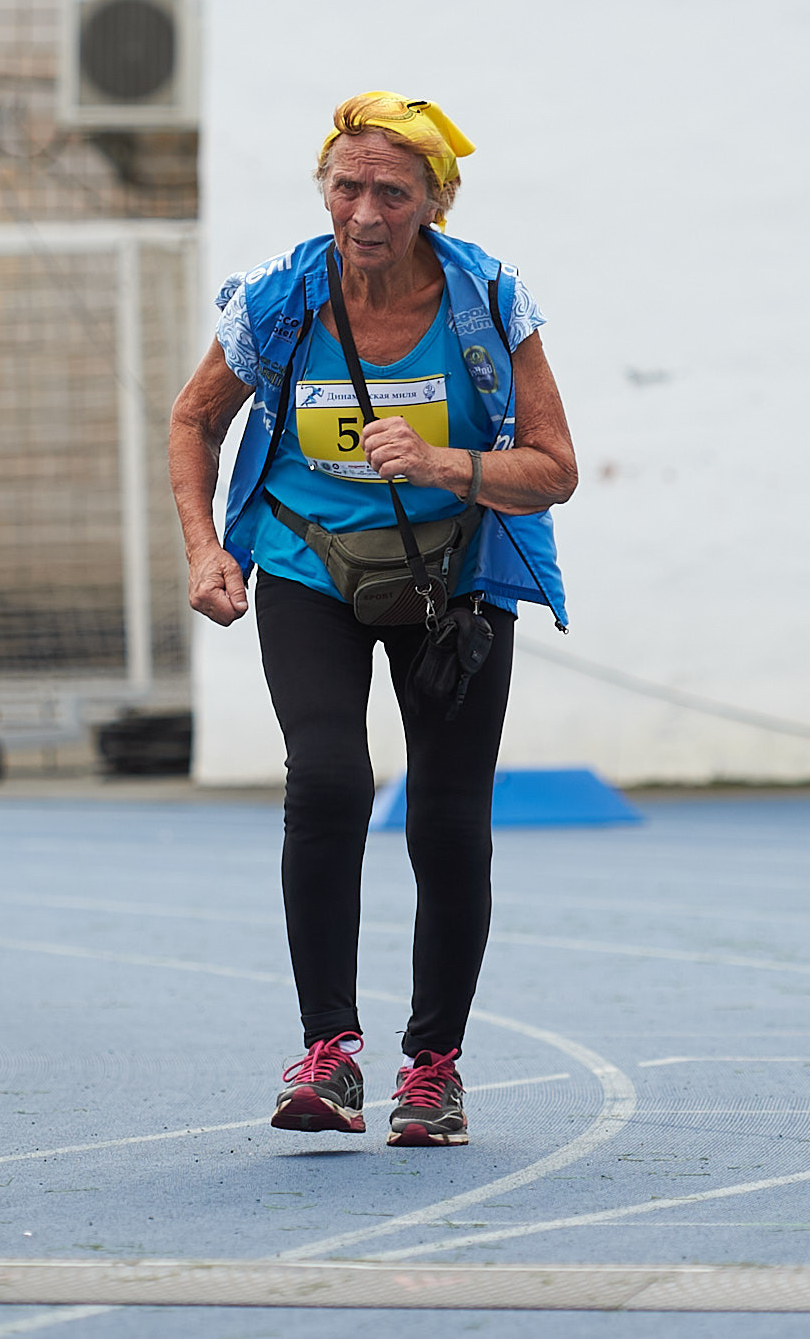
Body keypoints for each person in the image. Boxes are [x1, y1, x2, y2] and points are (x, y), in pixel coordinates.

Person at [167, 92, 576, 1148]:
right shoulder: (282, 298)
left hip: (455, 574)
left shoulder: (485, 297)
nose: (363, 210)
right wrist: (204, 546)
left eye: (390, 190)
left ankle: (432, 1068)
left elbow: (553, 468)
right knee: (331, 779)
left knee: (445, 818)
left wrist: (445, 462)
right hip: (311, 562)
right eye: (345, 185)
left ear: (434, 199)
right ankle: (328, 1053)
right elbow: (192, 418)